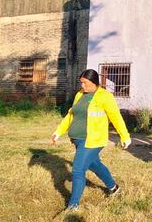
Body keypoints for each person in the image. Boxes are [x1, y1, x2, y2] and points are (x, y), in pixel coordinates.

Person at [51, 69, 131, 211]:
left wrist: (124, 136)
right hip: (78, 140)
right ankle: (114, 188)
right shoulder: (80, 95)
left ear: (94, 82)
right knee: (95, 165)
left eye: (85, 83)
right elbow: (71, 115)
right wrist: (58, 132)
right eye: (81, 82)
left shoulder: (104, 96)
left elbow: (116, 117)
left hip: (93, 140)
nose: (82, 86)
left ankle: (73, 205)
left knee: (77, 169)